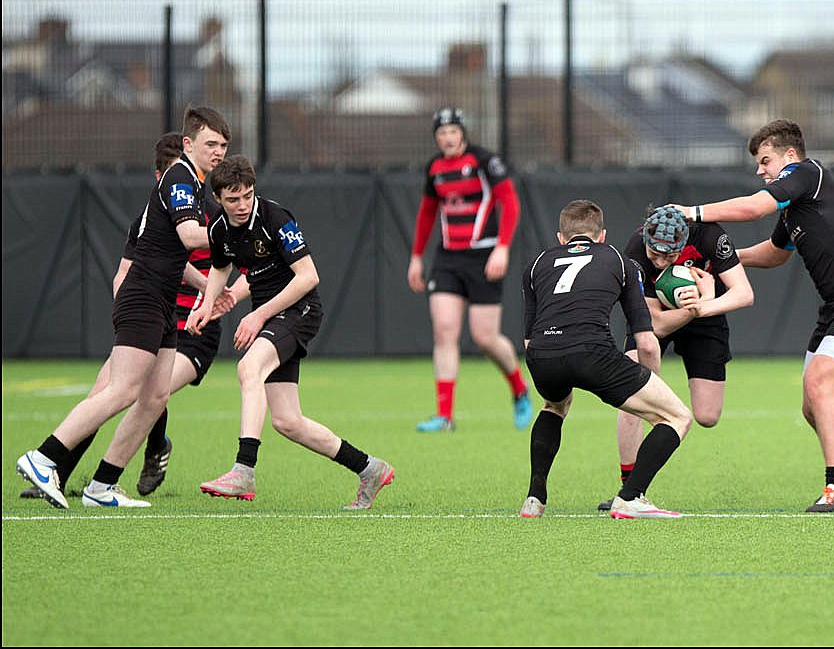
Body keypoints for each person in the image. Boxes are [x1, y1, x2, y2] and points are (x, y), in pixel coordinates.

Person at [665, 119, 834, 513]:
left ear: (789, 155)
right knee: (813, 406)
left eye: (765, 161)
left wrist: (691, 212)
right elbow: (774, 253)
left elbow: (754, 207)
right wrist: (720, 261)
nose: (760, 170)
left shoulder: (807, 173)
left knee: (820, 383)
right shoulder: (795, 206)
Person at [19, 133, 251, 502]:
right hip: (150, 311)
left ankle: (131, 460)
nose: (176, 187)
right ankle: (56, 471)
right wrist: (128, 312)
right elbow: (127, 272)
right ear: (160, 176)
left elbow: (246, 262)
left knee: (147, 393)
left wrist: (220, 296)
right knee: (113, 391)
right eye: (168, 177)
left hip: (194, 333)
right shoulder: (153, 216)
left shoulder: (217, 210)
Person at [190, 156, 395, 510]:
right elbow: (221, 268)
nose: (242, 205)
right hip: (273, 317)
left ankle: (243, 470)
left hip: (299, 311)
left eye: (247, 196)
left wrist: (257, 316)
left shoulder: (275, 218)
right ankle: (369, 468)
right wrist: (206, 306)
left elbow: (308, 276)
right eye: (233, 199)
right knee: (287, 421)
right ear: (218, 199)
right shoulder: (219, 229)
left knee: (248, 368)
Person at [518, 200, 694, 519]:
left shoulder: (537, 263)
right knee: (677, 417)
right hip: (592, 354)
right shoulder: (619, 260)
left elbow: (528, 340)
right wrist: (651, 382)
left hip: (542, 355)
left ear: (561, 238)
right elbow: (646, 342)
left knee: (554, 406)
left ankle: (534, 499)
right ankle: (630, 497)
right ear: (602, 236)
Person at [595, 205, 754, 511]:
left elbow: (744, 293)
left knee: (707, 416)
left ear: (682, 245)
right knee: (632, 392)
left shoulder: (710, 236)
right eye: (654, 254)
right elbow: (654, 324)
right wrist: (695, 306)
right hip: (660, 314)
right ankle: (630, 489)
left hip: (707, 316)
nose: (659, 262)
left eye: (668, 257)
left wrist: (703, 305)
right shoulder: (636, 248)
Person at [408, 107, 531, 432]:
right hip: (447, 259)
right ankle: (444, 416)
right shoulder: (435, 168)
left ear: (463, 133)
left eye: (453, 131)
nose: (448, 138)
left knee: (484, 337)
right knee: (444, 330)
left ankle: (519, 389)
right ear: (436, 137)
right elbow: (427, 213)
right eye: (442, 133)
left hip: (484, 257)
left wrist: (502, 248)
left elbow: (510, 202)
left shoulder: (484, 161)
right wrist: (417, 257)